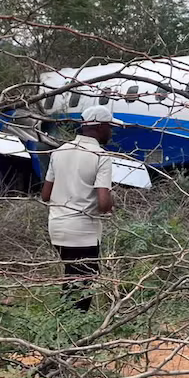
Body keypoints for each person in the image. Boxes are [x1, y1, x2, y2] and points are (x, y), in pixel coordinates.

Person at [41, 104, 116, 311]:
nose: (111, 132)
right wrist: (111, 201)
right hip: (82, 232)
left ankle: (63, 328)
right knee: (84, 284)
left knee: (72, 276)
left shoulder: (59, 152)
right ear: (100, 127)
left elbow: (45, 195)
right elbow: (103, 204)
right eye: (109, 127)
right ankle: (73, 332)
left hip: (57, 228)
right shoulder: (101, 156)